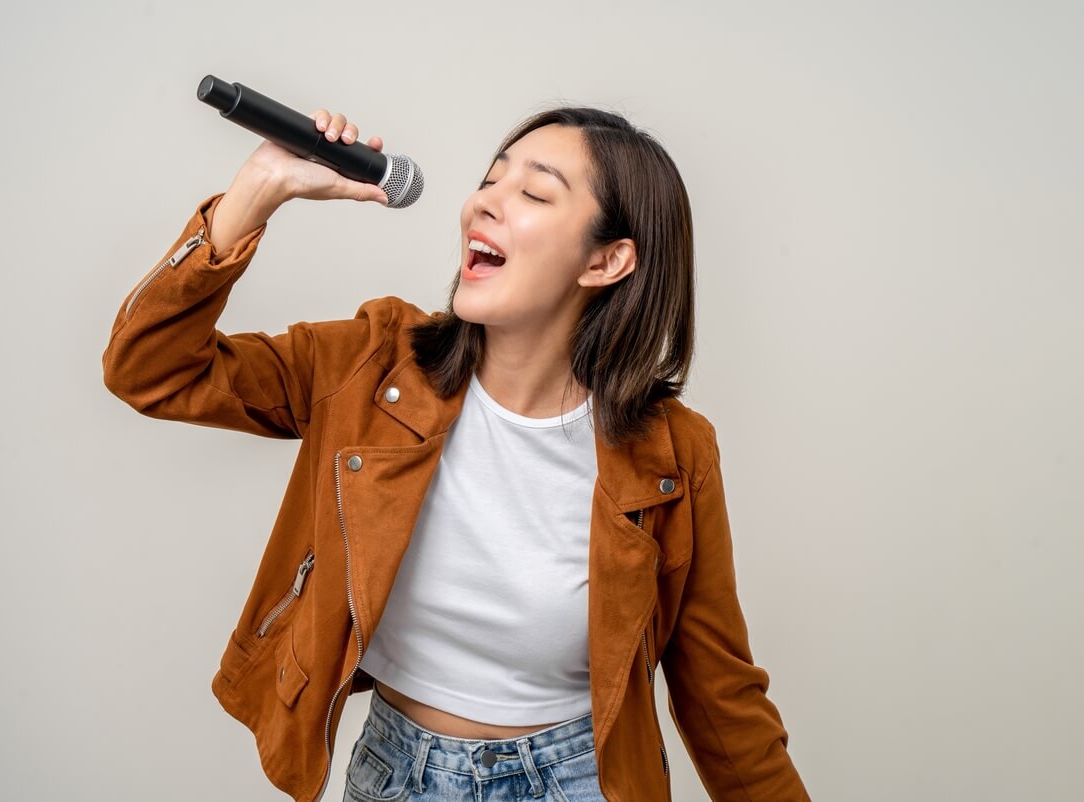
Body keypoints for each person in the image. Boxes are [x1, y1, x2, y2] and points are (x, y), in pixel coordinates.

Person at [102, 104, 810, 802]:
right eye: (491, 180)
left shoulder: (672, 453)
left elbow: (719, 691)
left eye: (533, 193)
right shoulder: (370, 363)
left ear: (606, 259)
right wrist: (257, 190)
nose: (484, 204)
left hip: (579, 783)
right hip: (397, 774)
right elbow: (150, 369)